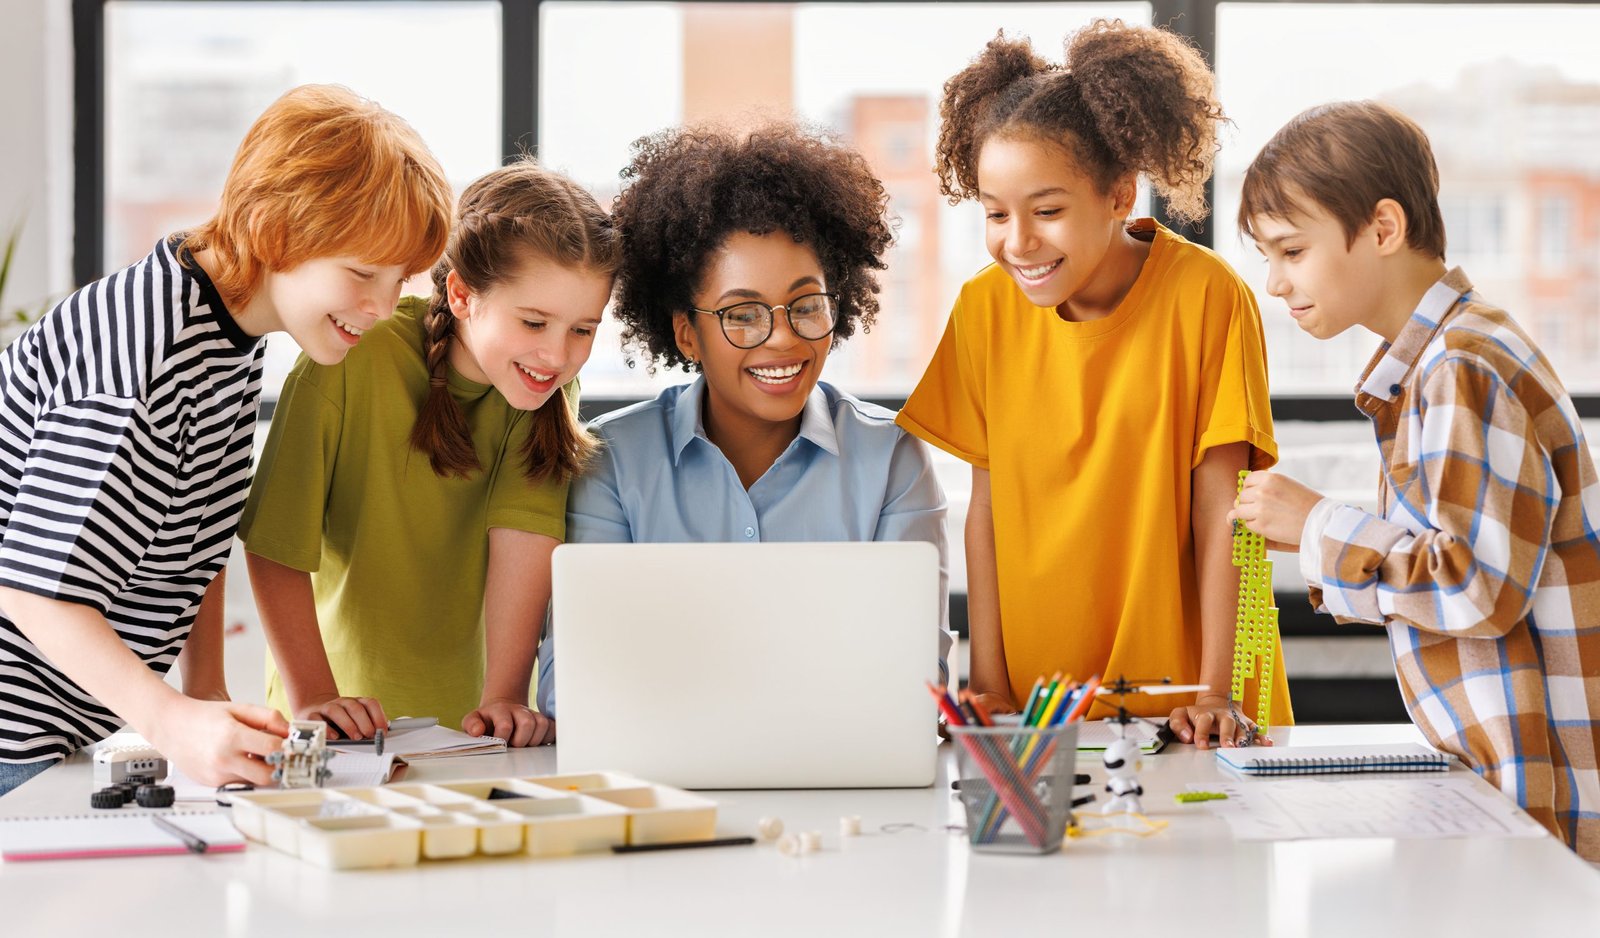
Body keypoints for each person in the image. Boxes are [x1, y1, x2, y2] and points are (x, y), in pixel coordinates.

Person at [0, 84, 453, 795]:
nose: (382, 307)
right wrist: (172, 722)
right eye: (363, 273)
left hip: (55, 736)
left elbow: (196, 531)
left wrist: (205, 686)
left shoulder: (229, 331)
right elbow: (34, 592)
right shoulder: (142, 356)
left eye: (399, 280)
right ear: (277, 228)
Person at [897, 21, 1289, 747]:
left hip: (1188, 704)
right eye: (994, 213)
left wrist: (1215, 691)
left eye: (1047, 211)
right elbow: (985, 512)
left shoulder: (1207, 296)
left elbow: (1224, 517)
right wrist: (986, 682)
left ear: (1118, 194)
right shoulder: (983, 309)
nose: (1018, 241)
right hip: (1035, 708)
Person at [1231, 100, 1600, 859]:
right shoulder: (1446, 358)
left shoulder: (1461, 367)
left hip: (1541, 795)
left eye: (1291, 251)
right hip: (1507, 778)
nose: (1273, 282)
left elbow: (1477, 587)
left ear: (1384, 230)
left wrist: (1318, 527)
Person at [535, 124, 949, 717]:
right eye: (742, 314)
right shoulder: (611, 463)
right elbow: (572, 685)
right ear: (687, 333)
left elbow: (915, 682)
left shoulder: (892, 462)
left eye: (806, 306)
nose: (782, 337)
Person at [240, 161, 618, 747]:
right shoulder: (350, 359)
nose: (556, 354)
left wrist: (505, 699)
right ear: (463, 294)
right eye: (535, 321)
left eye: (582, 330)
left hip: (471, 733)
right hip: (335, 721)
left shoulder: (546, 390)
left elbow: (524, 537)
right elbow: (276, 544)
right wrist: (314, 696)